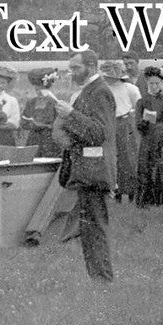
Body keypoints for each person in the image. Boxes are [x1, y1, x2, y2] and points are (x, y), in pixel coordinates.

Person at [53, 50, 117, 282]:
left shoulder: (100, 91)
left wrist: (71, 115)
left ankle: (102, 280)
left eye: (76, 68)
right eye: (70, 68)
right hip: (86, 170)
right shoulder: (88, 92)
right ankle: (98, 278)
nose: (72, 73)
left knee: (94, 227)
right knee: (89, 228)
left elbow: (100, 133)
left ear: (91, 66)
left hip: (94, 171)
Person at [136, 66, 163, 207]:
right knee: (146, 168)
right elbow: (138, 124)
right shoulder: (141, 102)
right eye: (151, 84)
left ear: (161, 84)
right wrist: (145, 121)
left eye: (157, 83)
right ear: (147, 84)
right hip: (148, 137)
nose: (154, 86)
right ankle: (148, 200)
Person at [101, 60, 142, 203]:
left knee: (128, 157)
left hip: (126, 125)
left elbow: (139, 106)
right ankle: (115, 190)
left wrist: (130, 113)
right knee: (112, 157)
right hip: (109, 124)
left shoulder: (130, 88)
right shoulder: (103, 89)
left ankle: (131, 191)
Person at [21, 67, 64, 158]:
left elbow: (60, 125)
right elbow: (23, 122)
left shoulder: (55, 103)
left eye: (42, 90)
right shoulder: (31, 102)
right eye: (36, 90)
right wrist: (31, 124)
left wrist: (43, 126)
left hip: (49, 142)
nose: (39, 93)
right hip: (33, 141)